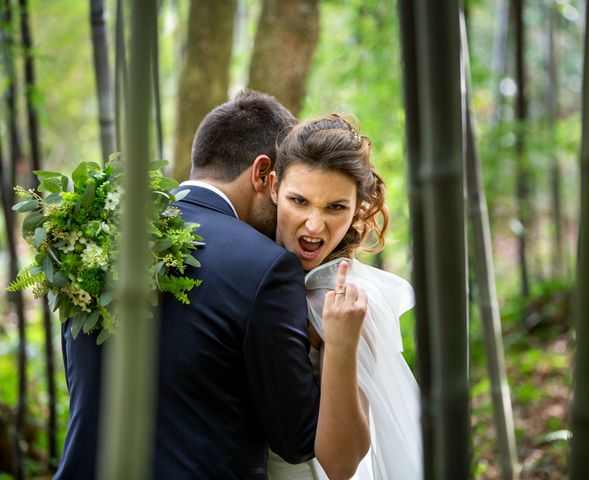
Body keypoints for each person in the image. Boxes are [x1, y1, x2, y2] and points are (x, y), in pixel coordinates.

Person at [55, 90, 369, 479]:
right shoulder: (265, 267)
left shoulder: (93, 239)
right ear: (264, 175)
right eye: (291, 193)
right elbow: (298, 439)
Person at [267, 114, 422, 479]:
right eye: (299, 201)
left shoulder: (346, 299)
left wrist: (340, 345)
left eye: (336, 207)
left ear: (357, 209)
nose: (315, 225)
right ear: (273, 186)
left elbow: (341, 465)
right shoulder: (242, 261)